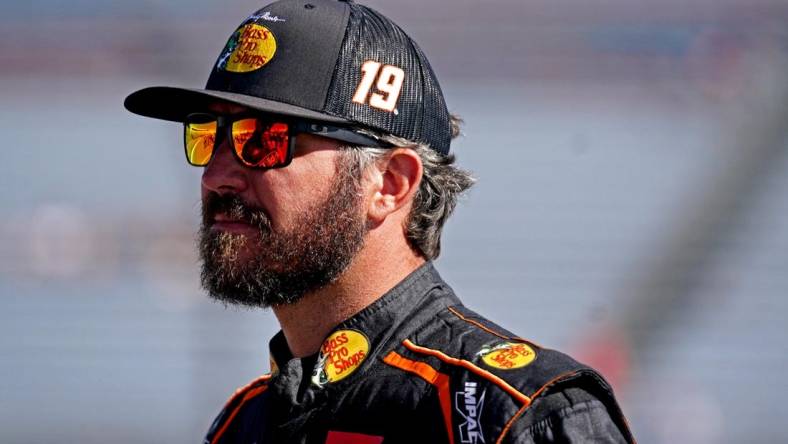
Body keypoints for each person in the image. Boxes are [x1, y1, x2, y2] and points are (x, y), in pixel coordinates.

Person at [124, 0, 636, 442]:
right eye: (207, 136)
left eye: (263, 140)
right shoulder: (243, 425)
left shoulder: (518, 417)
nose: (216, 175)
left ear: (390, 184)